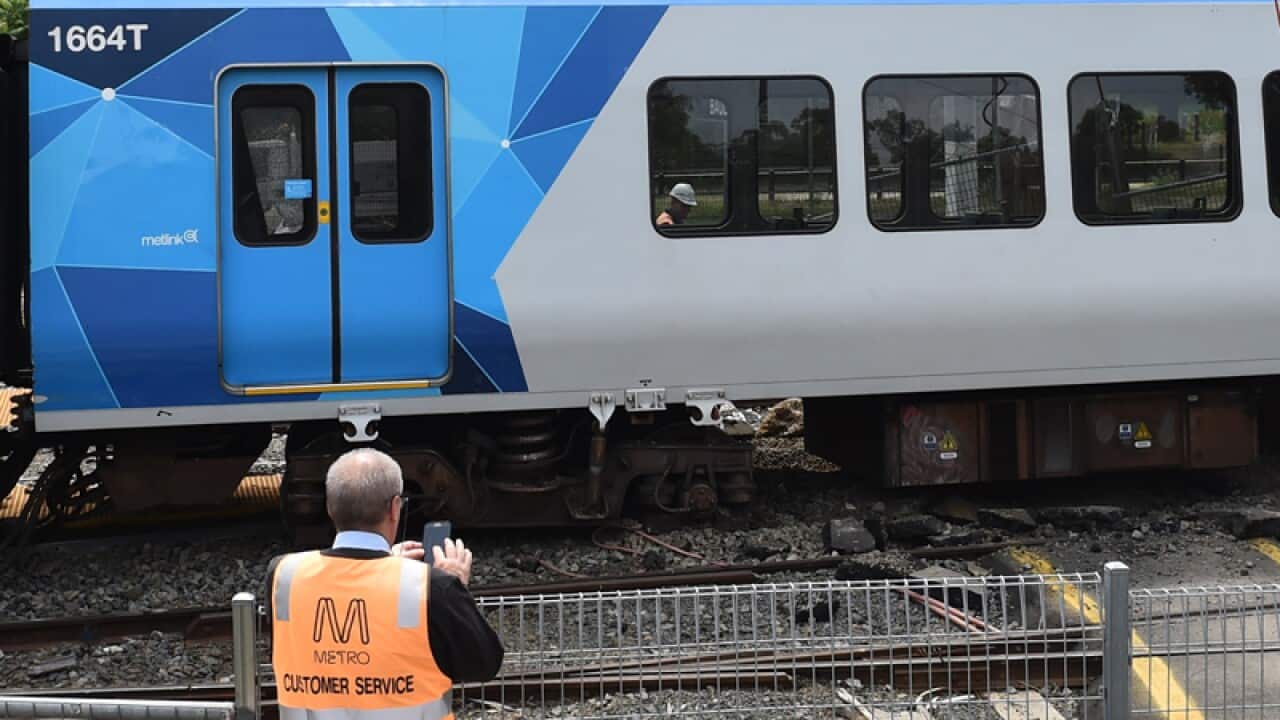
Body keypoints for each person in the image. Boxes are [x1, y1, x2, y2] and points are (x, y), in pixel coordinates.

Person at [266, 448, 503, 720]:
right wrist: (455, 586)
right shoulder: (431, 586)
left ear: (330, 508)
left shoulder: (283, 575)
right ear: (394, 507)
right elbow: (483, 665)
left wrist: (385, 564)